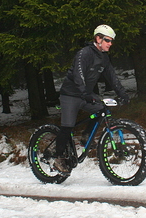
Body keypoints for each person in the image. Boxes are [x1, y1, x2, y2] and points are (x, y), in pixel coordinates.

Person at [53, 24, 130, 173]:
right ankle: (58, 157)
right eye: (107, 40)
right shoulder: (85, 53)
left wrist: (123, 94)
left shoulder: (104, 58)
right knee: (67, 127)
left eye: (112, 41)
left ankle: (86, 135)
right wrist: (85, 93)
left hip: (85, 94)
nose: (110, 44)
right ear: (98, 38)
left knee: (102, 110)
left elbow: (113, 78)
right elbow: (78, 75)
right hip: (70, 94)